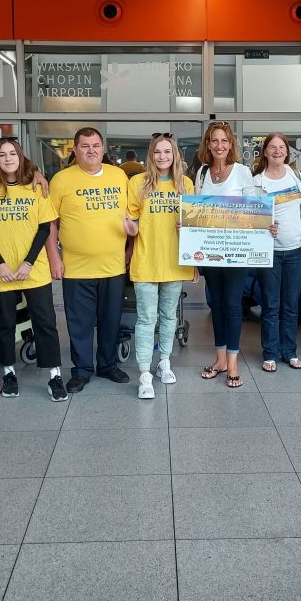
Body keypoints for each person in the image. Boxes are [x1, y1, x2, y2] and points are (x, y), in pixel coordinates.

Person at [0, 138, 67, 401]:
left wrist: (28, 262)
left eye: (12, 153)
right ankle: (8, 372)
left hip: (33, 270)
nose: (7, 158)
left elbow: (44, 228)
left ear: (20, 156)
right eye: (2, 154)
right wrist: (0, 264)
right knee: (5, 324)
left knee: (46, 323)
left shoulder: (36, 188)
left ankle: (54, 376)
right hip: (0, 271)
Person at [48, 127, 131, 393]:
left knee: (110, 320)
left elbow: (132, 218)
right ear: (75, 149)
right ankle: (82, 370)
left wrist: (130, 251)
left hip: (113, 265)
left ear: (103, 148)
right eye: (85, 146)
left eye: (96, 145)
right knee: (79, 324)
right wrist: (54, 257)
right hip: (76, 267)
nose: (91, 150)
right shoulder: (61, 180)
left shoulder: (119, 176)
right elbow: (51, 223)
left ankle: (107, 365)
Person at [123, 133, 194, 398]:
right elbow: (133, 221)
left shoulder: (185, 184)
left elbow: (193, 226)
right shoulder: (138, 183)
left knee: (168, 317)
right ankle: (144, 373)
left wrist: (194, 261)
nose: (163, 156)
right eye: (157, 152)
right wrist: (130, 227)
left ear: (175, 154)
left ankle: (164, 362)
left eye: (167, 152)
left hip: (175, 261)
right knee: (145, 319)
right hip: (146, 261)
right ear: (150, 155)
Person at [194, 121, 256, 388]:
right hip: (210, 253)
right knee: (216, 305)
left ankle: (232, 363)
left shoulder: (242, 172)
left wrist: (268, 224)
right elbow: (196, 212)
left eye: (224, 141)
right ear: (207, 144)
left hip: (235, 253)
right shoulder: (202, 174)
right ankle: (219, 360)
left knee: (232, 305)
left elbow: (254, 212)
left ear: (231, 145)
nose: (219, 145)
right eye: (214, 141)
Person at [251, 133, 301, 372]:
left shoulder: (295, 175)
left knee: (290, 305)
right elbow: (249, 216)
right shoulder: (256, 181)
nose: (277, 151)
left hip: (297, 251)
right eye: (272, 147)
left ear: (287, 152)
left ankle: (289, 351)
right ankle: (270, 352)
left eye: (282, 147)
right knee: (270, 304)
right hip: (271, 253)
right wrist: (263, 224)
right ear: (265, 152)